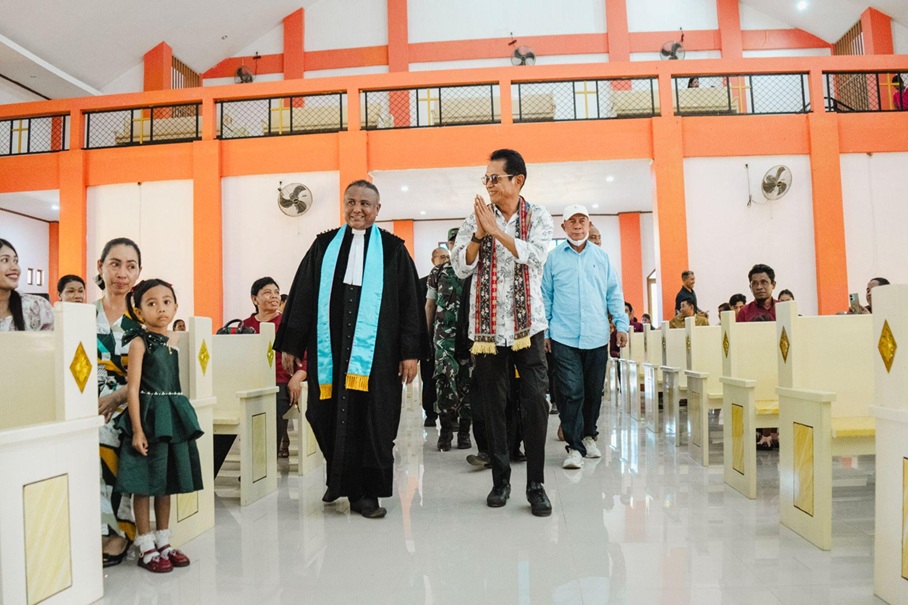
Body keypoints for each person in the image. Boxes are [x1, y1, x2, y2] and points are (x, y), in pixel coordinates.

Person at [276, 180, 423, 519]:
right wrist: (292, 344)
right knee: (324, 415)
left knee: (374, 421)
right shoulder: (324, 246)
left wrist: (409, 352)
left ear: (377, 209)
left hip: (379, 355)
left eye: (365, 204)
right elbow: (303, 296)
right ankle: (339, 480)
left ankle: (367, 493)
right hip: (332, 352)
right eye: (351, 202)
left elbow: (409, 305)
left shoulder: (393, 250)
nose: (357, 209)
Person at [451, 148, 554, 517]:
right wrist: (479, 236)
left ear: (518, 180)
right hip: (487, 331)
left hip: (529, 328)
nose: (489, 184)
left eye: (495, 178)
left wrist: (497, 232)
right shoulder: (475, 218)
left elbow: (537, 256)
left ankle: (536, 485)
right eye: (487, 179)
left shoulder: (538, 216)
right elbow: (460, 267)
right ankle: (500, 481)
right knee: (492, 405)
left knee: (535, 402)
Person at [115, 279, 203, 573]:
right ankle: (145, 544)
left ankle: (163, 541)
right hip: (148, 416)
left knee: (166, 483)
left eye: (167, 302)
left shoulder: (174, 341)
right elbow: (133, 388)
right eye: (151, 304)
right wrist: (138, 429)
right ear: (140, 312)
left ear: (175, 307)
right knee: (144, 483)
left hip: (171, 415)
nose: (161, 309)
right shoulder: (139, 343)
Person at [542, 204, 628, 470]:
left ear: (589, 225)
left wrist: (621, 325)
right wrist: (546, 331)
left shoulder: (602, 258)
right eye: (573, 221)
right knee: (570, 392)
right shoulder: (553, 259)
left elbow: (614, 293)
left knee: (593, 391)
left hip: (596, 335)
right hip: (563, 336)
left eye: (583, 221)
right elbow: (546, 296)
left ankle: (589, 435)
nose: (578, 225)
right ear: (564, 226)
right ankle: (574, 448)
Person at [94, 237, 143, 566]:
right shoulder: (82, 315)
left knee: (108, 435)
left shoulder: (142, 319)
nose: (122, 273)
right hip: (84, 402)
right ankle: (90, 525)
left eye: (130, 266)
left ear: (138, 273)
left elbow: (152, 371)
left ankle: (119, 531)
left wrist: (117, 396)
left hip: (130, 402)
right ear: (101, 267)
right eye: (115, 264)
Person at [244, 277, 306, 459]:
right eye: (267, 292)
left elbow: (306, 357)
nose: (274, 296)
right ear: (254, 299)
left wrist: (297, 378)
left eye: (276, 292)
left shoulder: (289, 325)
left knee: (272, 405)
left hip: (280, 382)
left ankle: (264, 463)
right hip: (249, 382)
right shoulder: (245, 326)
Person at [426, 229, 471, 451]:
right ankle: (445, 432)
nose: (457, 244)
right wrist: (426, 336)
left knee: (468, 383)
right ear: (450, 244)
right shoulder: (438, 271)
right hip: (444, 337)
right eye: (453, 242)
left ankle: (464, 432)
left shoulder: (475, 268)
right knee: (444, 381)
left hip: (470, 337)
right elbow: (430, 305)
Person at [419, 248, 450, 428]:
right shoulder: (422, 283)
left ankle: (451, 415)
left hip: (449, 337)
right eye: (442, 257)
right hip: (429, 336)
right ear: (433, 260)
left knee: (449, 376)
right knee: (429, 375)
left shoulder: (455, 280)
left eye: (448, 257)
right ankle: (430, 413)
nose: (445, 260)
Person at [0, 238, 54, 331]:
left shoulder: (37, 307)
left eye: (16, 261)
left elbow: (56, 339)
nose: (14, 267)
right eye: (5, 260)